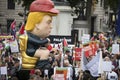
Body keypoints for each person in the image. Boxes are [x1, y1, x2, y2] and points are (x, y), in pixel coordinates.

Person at [19, 0, 59, 70]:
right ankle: (41, 67)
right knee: (45, 52)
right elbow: (37, 42)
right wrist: (45, 41)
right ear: (36, 24)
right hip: (30, 51)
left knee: (45, 50)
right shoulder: (29, 36)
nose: (51, 26)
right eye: (48, 22)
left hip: (34, 50)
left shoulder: (33, 36)